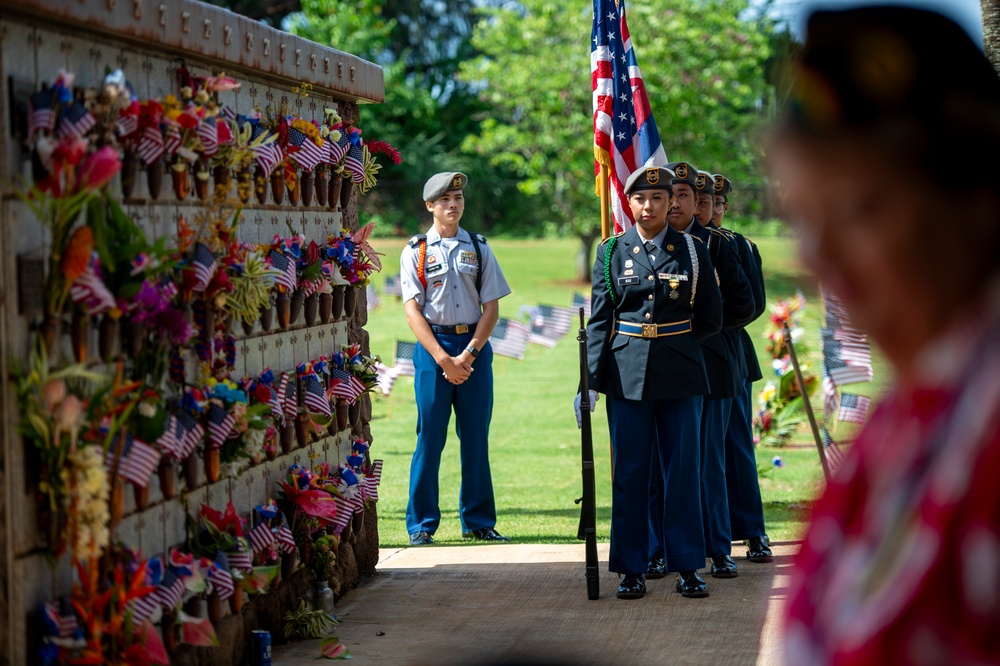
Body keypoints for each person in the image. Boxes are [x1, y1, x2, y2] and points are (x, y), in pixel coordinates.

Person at [769, 6, 1000, 664]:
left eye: (858, 210)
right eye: (805, 219)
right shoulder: (916, 412)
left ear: (978, 202)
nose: (821, 258)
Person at [580, 166, 723, 599]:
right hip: (626, 375)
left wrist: (674, 341)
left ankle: (687, 567)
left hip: (680, 373)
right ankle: (631, 568)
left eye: (658, 199)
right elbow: (601, 322)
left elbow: (711, 317)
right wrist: (588, 383)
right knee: (630, 472)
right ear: (629, 203)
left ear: (669, 203)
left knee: (682, 473)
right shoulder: (610, 252)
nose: (650, 206)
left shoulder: (693, 251)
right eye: (641, 199)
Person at [644, 162, 755, 584]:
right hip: (660, 370)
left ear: (696, 202)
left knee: (707, 464)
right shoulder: (643, 245)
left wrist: (692, 327)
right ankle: (656, 551)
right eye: (669, 196)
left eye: (685, 196)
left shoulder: (718, 246)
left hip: (711, 365)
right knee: (659, 464)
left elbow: (745, 304)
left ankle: (717, 548)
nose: (674, 203)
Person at [399, 172, 512, 546]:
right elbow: (413, 312)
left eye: (458, 198)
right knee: (429, 438)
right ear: (430, 205)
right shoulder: (416, 250)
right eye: (445, 199)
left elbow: (491, 307)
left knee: (476, 437)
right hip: (434, 351)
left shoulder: (479, 248)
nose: (453, 205)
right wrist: (443, 359)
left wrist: (468, 353)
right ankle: (421, 525)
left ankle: (479, 521)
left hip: (473, 348)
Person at [712, 173, 773, 563]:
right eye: (704, 202)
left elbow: (754, 304)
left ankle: (752, 530)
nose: (710, 209)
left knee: (736, 447)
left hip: (730, 353)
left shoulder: (738, 245)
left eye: (717, 203)